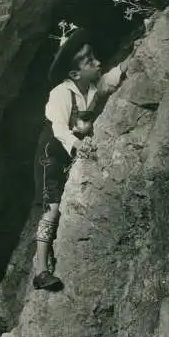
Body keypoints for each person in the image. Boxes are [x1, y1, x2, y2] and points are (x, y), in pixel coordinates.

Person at [33, 26, 132, 291]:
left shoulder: (89, 88)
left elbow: (107, 83)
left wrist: (127, 64)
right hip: (50, 154)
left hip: (70, 151)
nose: (97, 62)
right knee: (51, 207)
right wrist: (78, 145)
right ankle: (41, 270)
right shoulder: (61, 94)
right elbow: (58, 129)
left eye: (93, 56)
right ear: (74, 73)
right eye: (90, 61)